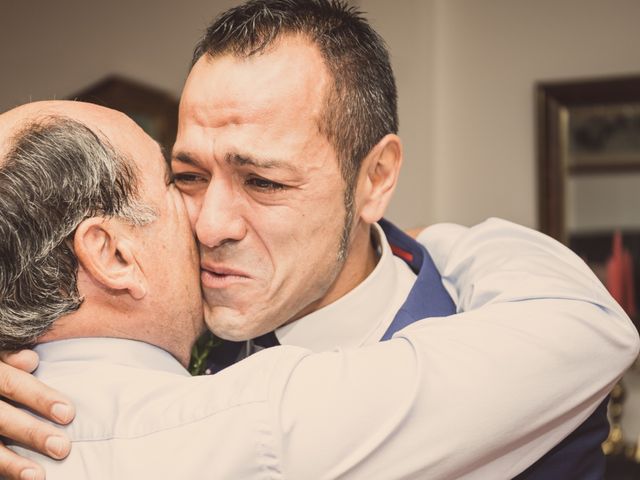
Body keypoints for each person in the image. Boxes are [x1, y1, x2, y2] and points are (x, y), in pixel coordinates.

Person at [0, 1, 638, 478]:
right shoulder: (148, 339)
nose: (210, 226)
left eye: (264, 182)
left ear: (375, 179)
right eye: (187, 176)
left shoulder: (534, 388)